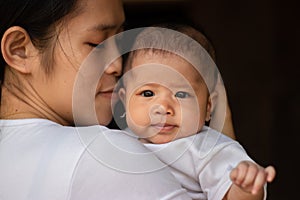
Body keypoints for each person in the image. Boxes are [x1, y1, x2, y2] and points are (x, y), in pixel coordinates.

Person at [0, 0, 194, 199]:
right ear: (19, 50)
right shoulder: (104, 154)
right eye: (96, 44)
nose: (117, 65)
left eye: (120, 43)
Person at [117, 24, 276, 200]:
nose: (163, 108)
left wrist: (245, 187)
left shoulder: (207, 149)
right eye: (148, 93)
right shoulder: (116, 141)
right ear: (124, 101)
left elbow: (230, 193)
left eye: (182, 94)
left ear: (208, 108)